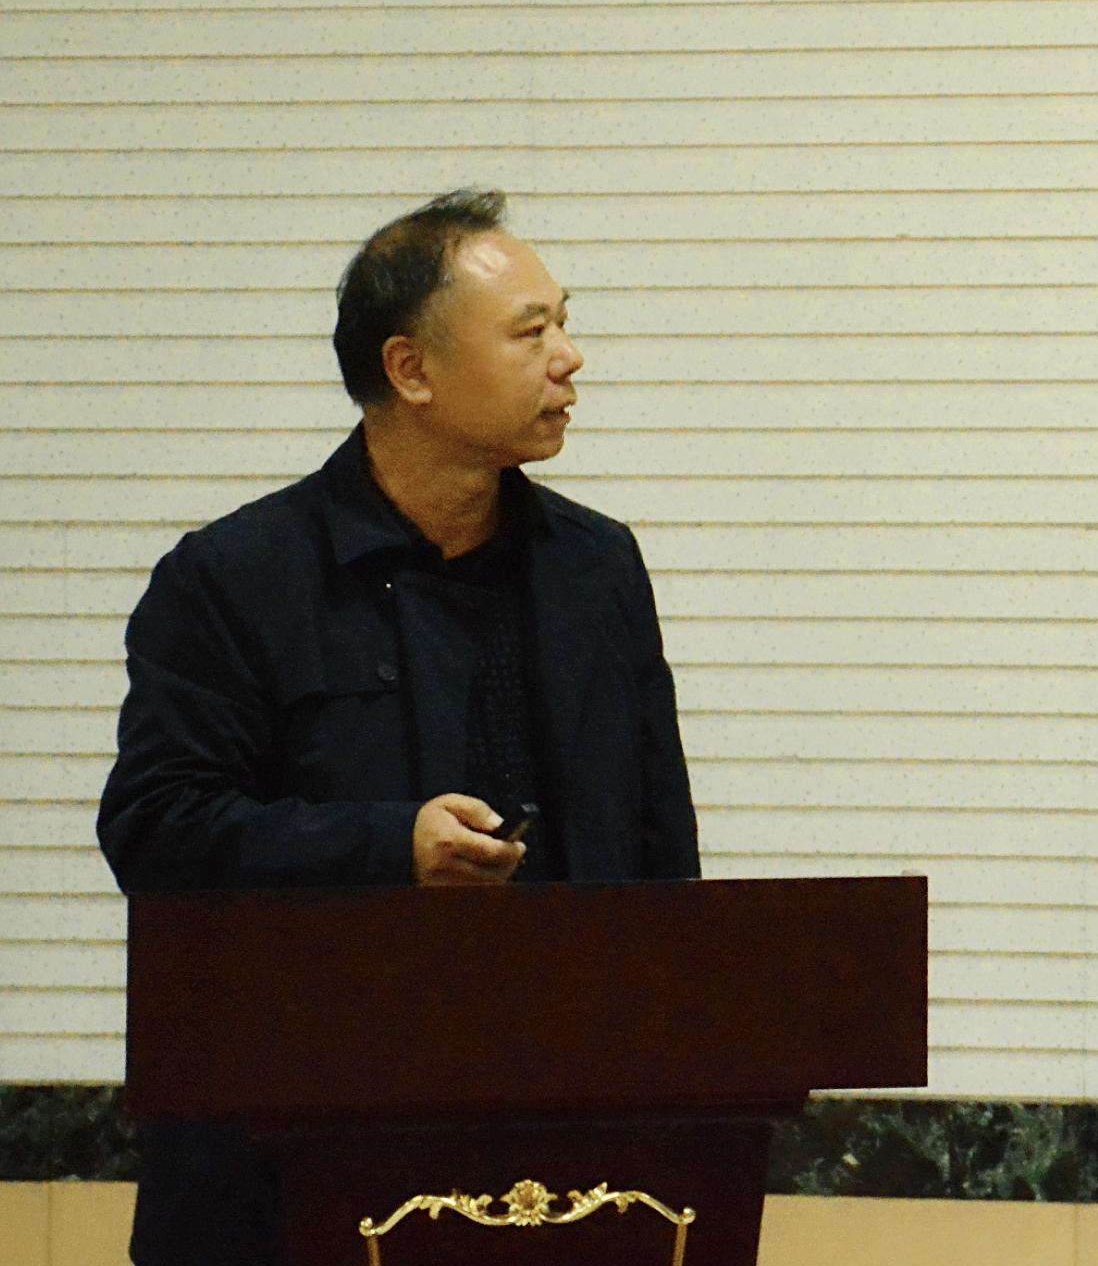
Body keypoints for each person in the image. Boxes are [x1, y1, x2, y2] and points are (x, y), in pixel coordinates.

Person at [97, 188, 702, 1266]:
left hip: (562, 1147)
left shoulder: (598, 567)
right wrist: (389, 845)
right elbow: (157, 829)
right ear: (411, 370)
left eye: (564, 324)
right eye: (530, 332)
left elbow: (661, 852)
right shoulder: (235, 579)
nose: (570, 359)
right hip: (294, 1158)